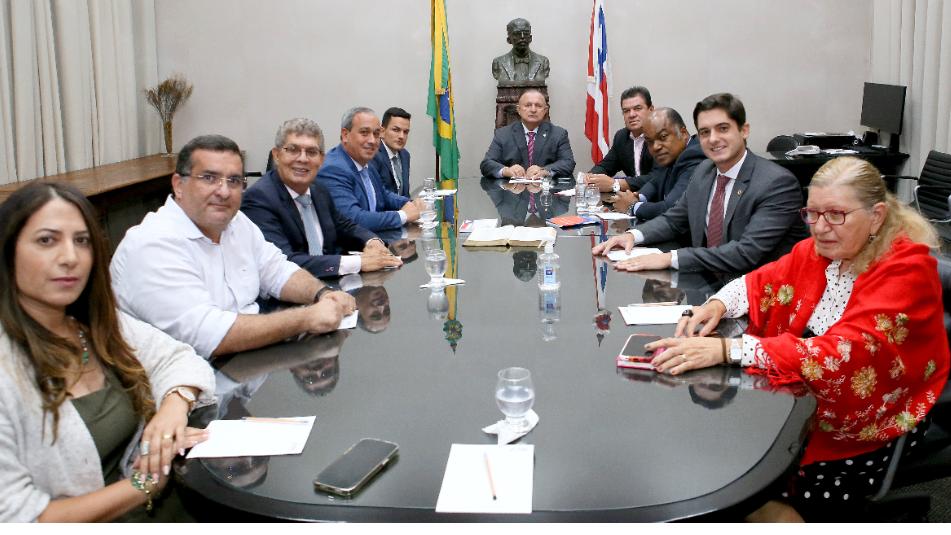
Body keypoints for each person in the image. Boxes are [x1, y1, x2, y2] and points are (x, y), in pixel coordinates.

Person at [646, 157, 950, 521]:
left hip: (872, 418)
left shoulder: (906, 270)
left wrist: (729, 349)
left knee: (748, 481)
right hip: (808, 393)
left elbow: (845, 354)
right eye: (813, 214)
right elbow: (761, 281)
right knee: (712, 444)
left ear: (876, 216)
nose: (820, 228)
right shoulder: (823, 249)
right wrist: (717, 304)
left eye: (835, 214)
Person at [0, 182, 216, 522]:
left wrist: (172, 409)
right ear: (7, 251)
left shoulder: (91, 323)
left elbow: (178, 357)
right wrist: (145, 483)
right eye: (47, 240)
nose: (70, 257)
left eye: (81, 241)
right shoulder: (7, 369)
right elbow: (20, 518)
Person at [111, 135, 355, 360]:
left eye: (234, 181)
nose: (224, 191)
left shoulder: (236, 222)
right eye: (209, 178)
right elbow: (209, 335)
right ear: (179, 185)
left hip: (245, 363)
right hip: (185, 380)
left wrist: (322, 294)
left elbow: (277, 270)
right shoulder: (152, 245)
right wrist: (307, 318)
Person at [592, 93, 807, 273]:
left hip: (760, 295)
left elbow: (745, 253)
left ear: (744, 130)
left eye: (723, 128)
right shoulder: (705, 171)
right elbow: (674, 219)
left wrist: (670, 258)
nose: (713, 139)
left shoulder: (777, 183)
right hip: (707, 286)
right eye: (705, 132)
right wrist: (632, 235)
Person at [242, 118, 402, 279]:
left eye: (311, 152)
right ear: (276, 155)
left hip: (333, 285)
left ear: (321, 160)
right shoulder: (258, 199)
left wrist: (371, 241)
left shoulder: (318, 189)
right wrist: (358, 262)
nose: (303, 159)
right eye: (293, 150)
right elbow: (284, 263)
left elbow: (343, 225)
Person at [319, 107, 422, 232]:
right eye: (364, 133)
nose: (372, 140)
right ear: (345, 135)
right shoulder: (333, 168)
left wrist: (411, 204)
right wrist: (403, 215)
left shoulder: (365, 163)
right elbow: (354, 219)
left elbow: (384, 195)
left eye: (376, 134)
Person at [611, 107, 706, 221]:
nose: (656, 147)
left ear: (683, 133)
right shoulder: (670, 154)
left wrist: (632, 206)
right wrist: (638, 196)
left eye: (663, 137)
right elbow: (656, 181)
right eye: (650, 141)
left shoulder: (695, 156)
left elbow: (671, 209)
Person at [479, 89, 575, 179]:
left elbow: (568, 163)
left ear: (545, 110)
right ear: (519, 110)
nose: (533, 110)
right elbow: (486, 164)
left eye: (538, 106)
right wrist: (506, 171)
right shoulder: (503, 134)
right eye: (528, 105)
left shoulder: (558, 134)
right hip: (512, 190)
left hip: (545, 190)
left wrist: (545, 171)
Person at [584, 86, 655, 192]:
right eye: (626, 111)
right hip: (631, 197)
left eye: (637, 108)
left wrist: (616, 184)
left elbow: (657, 177)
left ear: (651, 110)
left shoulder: (661, 136)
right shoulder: (622, 136)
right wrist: (591, 177)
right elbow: (606, 166)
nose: (631, 115)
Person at [491, 18, 550, 84]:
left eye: (526, 33)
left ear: (530, 38)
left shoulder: (543, 62)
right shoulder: (498, 62)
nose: (522, 37)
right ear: (509, 39)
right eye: (517, 34)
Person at [369, 107, 412, 197]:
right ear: (382, 132)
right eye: (396, 130)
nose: (401, 136)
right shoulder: (373, 155)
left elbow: (405, 194)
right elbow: (378, 195)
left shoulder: (405, 155)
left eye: (405, 132)